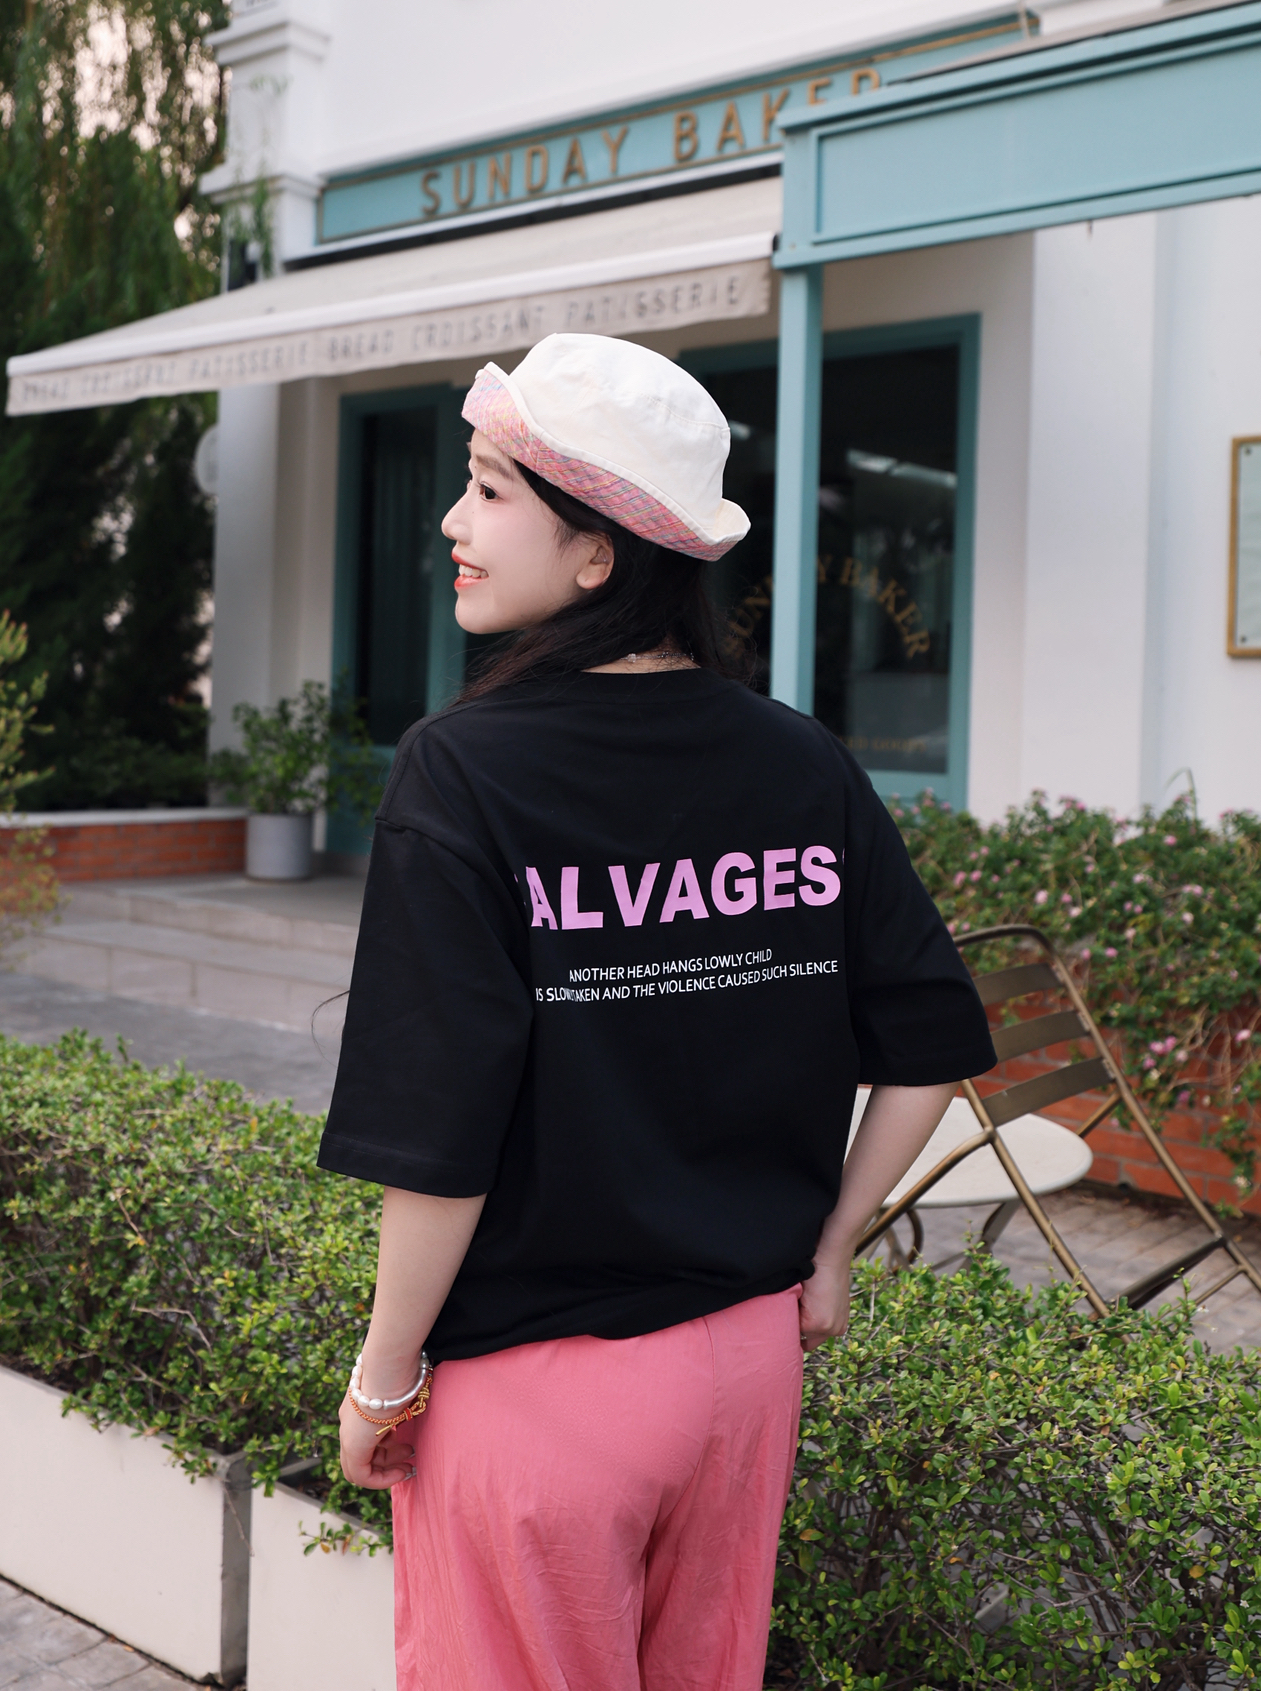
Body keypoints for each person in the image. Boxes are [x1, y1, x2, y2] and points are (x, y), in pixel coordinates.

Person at [317, 333, 997, 1691]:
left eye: (490, 490)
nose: (452, 521)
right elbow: (931, 1043)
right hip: (745, 1373)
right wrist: (831, 1249)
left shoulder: (462, 771)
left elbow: (440, 1134)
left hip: (542, 1386)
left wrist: (383, 1376)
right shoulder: (803, 760)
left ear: (597, 553)